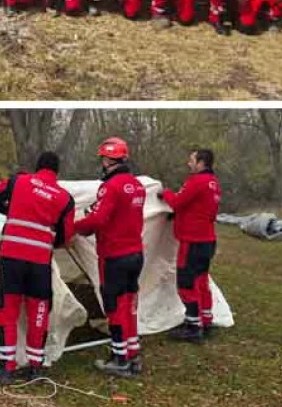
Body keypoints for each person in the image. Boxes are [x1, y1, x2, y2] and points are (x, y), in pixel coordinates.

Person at [0, 152, 75, 385]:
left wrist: (12, 210)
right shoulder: (65, 198)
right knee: (39, 311)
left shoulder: (19, 182)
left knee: (8, 310)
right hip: (39, 262)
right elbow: (65, 236)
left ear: (37, 167)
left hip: (12, 257)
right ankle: (36, 366)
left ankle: (6, 367)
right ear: (57, 172)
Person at [75, 137, 146, 377]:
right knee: (129, 305)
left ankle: (119, 359)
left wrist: (76, 227)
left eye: (103, 159)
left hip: (114, 255)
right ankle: (133, 353)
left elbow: (98, 220)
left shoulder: (110, 187)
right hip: (136, 253)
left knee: (114, 307)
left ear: (107, 159)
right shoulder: (137, 186)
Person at [159, 148, 222, 343]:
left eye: (192, 160)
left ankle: (193, 326)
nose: (189, 163)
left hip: (192, 241)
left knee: (186, 282)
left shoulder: (197, 182)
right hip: (207, 240)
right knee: (201, 281)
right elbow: (198, 208)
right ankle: (206, 319)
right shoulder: (214, 183)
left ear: (201, 163)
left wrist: (165, 193)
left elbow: (177, 202)